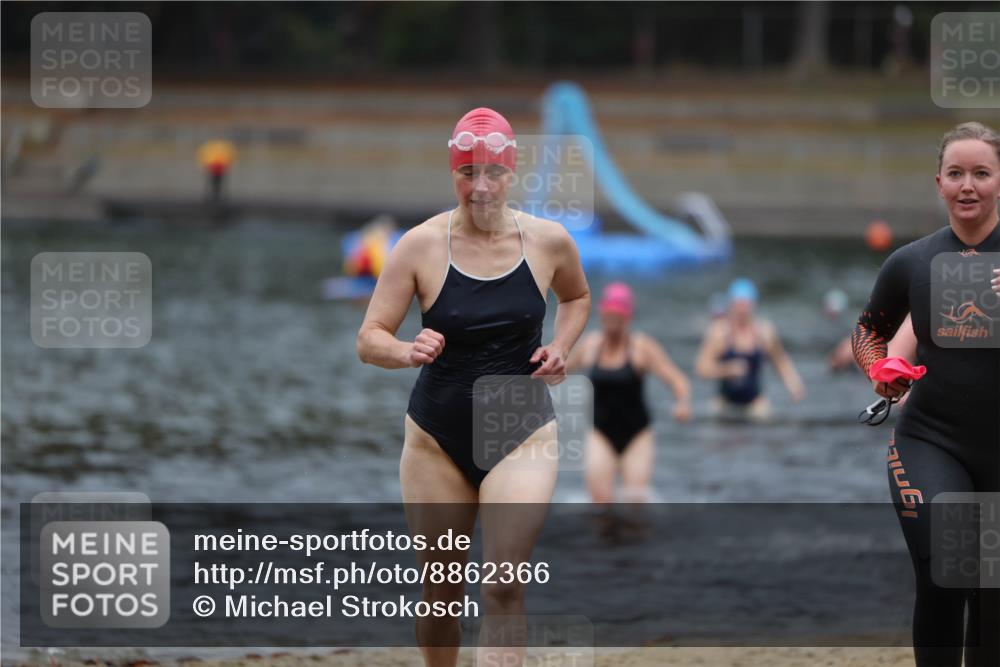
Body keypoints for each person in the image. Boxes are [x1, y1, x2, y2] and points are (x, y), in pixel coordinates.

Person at [356, 107, 590, 667]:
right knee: (441, 596)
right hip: (436, 438)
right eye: (467, 173)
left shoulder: (549, 241)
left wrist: (561, 348)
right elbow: (369, 338)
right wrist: (405, 350)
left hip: (520, 429)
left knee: (503, 583)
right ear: (452, 172)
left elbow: (577, 299)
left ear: (511, 173)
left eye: (492, 172)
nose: (480, 187)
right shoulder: (418, 245)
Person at [851, 121, 1000, 667]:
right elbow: (866, 331)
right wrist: (880, 366)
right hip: (931, 441)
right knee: (949, 568)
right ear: (938, 183)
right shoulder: (912, 262)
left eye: (981, 173)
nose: (968, 185)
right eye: (956, 173)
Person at [566, 282, 691, 503]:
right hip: (599, 432)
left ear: (628, 318)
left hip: (637, 435)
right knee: (600, 502)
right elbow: (559, 372)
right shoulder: (590, 346)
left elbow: (677, 379)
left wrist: (682, 403)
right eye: (608, 316)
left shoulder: (641, 348)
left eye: (618, 317)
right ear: (601, 314)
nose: (612, 322)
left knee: (635, 502)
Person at [694, 278, 805, 420]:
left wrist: (794, 385)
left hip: (755, 402)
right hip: (725, 403)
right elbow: (701, 369)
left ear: (754, 305)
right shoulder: (719, 333)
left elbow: (781, 361)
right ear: (731, 305)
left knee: (764, 417)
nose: (742, 310)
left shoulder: (764, 332)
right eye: (738, 305)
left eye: (746, 305)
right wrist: (726, 370)